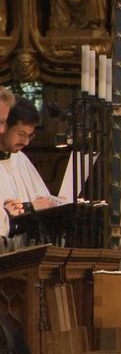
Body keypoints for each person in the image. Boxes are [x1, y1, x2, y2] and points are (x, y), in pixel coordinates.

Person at [0, 97, 64, 251]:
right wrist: (30, 207)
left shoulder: (20, 159)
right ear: (5, 127)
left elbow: (43, 201)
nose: (26, 142)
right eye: (21, 134)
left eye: (30, 136)